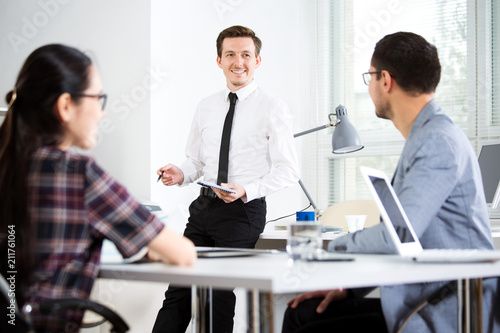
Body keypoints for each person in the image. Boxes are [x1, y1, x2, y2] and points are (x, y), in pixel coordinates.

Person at [282, 32, 500, 333]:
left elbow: (396, 235)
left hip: (446, 310)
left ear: (385, 80)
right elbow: (406, 240)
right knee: (302, 312)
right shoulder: (426, 137)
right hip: (421, 297)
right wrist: (351, 288)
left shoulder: (437, 142)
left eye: (369, 77)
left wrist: (330, 247)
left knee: (307, 324)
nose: (369, 87)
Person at [0, 44, 197, 333]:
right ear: (66, 105)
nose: (102, 113)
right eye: (98, 98)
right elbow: (183, 254)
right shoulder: (79, 175)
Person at [153, 25, 300, 333]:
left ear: (257, 61)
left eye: (246, 55)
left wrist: (248, 190)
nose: (238, 62)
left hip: (242, 213)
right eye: (230, 54)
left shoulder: (273, 107)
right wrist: (180, 173)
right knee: (178, 288)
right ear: (218, 60)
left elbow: (289, 169)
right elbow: (195, 161)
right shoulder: (206, 106)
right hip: (203, 209)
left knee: (217, 293)